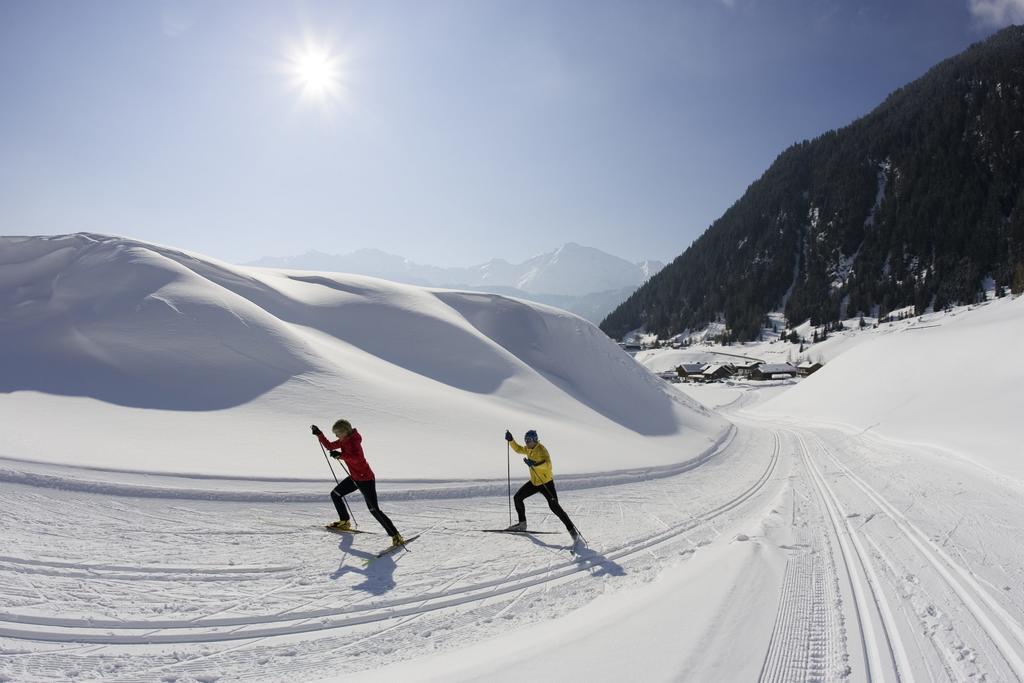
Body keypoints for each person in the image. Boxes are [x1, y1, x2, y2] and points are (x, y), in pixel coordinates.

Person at [312, 420, 405, 547]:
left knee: (374, 509)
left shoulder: (354, 442)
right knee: (335, 494)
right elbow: (329, 446)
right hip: (355, 478)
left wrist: (341, 455)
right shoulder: (344, 440)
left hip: (366, 479)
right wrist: (319, 434)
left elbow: (357, 458)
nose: (336, 436)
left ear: (345, 431)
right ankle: (344, 521)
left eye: (337, 433)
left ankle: (396, 536)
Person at [504, 429, 579, 541]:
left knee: (555, 507)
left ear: (535, 440)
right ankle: (522, 524)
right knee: (517, 498)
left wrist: (535, 464)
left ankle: (572, 530)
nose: (527, 442)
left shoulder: (542, 450)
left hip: (546, 483)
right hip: (535, 482)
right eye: (525, 440)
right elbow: (519, 449)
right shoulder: (528, 449)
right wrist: (511, 440)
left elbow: (547, 465)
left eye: (529, 440)